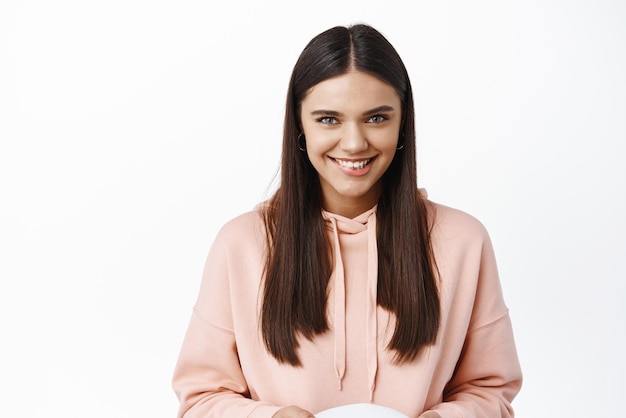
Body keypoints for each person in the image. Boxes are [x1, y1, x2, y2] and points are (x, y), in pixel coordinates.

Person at [172, 23, 522, 418]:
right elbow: (200, 399)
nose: (354, 143)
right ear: (299, 124)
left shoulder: (463, 242)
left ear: (403, 121)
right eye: (328, 119)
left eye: (376, 118)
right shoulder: (242, 245)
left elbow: (491, 391)